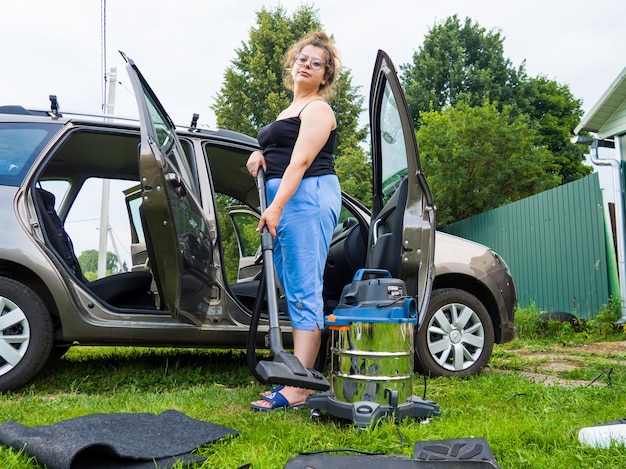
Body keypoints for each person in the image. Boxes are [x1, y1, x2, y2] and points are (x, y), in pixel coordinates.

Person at [247, 31, 342, 411]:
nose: (306, 64)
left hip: (308, 197)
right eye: (302, 58)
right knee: (291, 283)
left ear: (325, 76)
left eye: (315, 62)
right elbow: (282, 147)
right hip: (287, 201)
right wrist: (259, 151)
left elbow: (300, 161)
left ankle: (300, 386)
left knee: (304, 288)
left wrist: (276, 206)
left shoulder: (318, 109)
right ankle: (295, 376)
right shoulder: (290, 109)